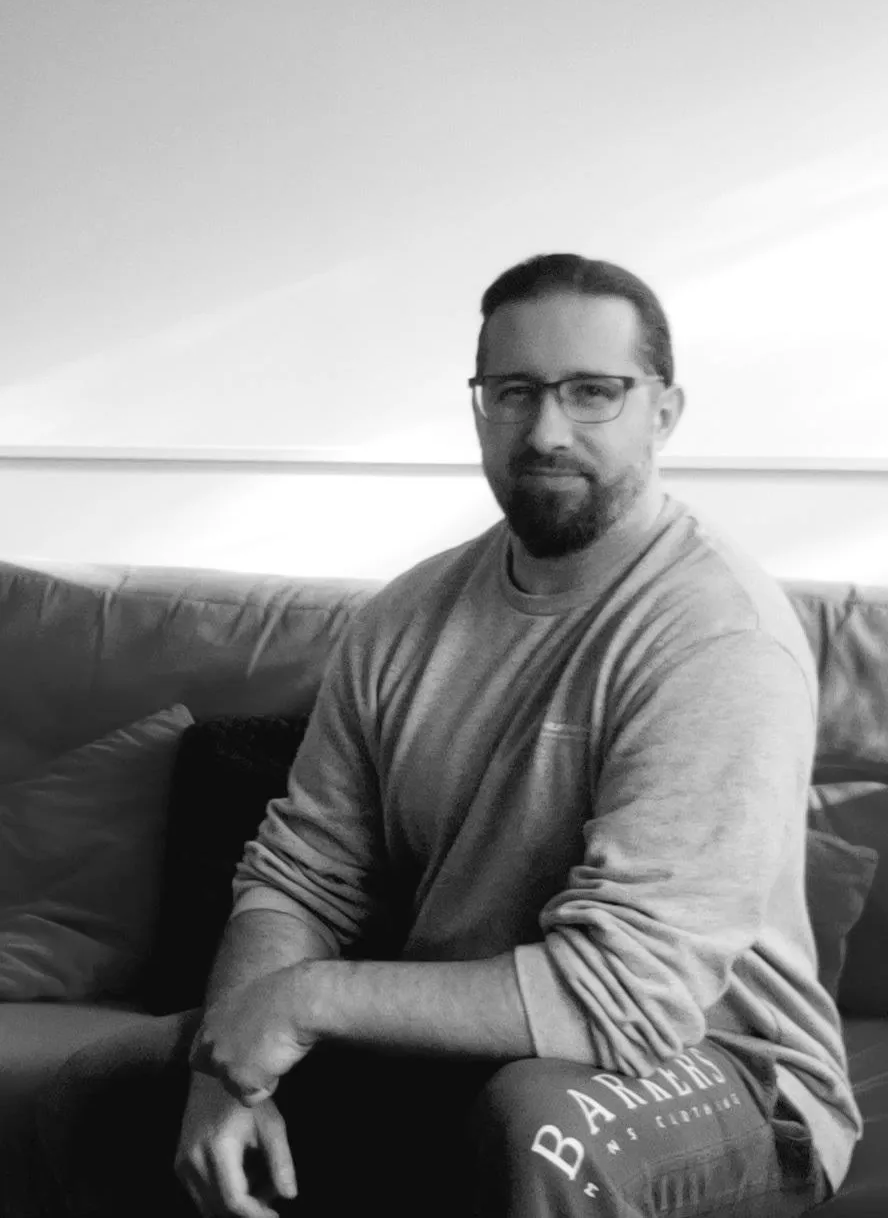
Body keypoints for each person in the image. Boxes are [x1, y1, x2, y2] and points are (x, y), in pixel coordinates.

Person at [63, 255, 863, 1218]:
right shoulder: (404, 619)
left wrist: (305, 1000)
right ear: (480, 406)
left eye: (593, 392)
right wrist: (225, 1072)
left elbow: (628, 995)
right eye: (514, 392)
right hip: (472, 1051)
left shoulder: (716, 633)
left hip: (725, 1071)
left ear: (664, 412)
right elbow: (304, 875)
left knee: (544, 1128)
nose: (547, 430)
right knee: (114, 1091)